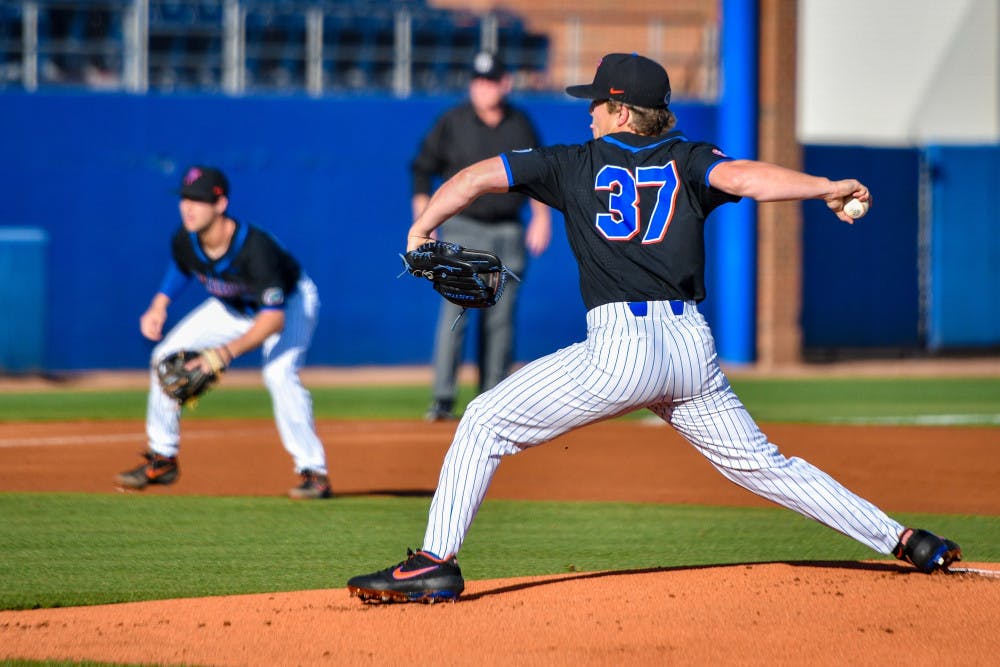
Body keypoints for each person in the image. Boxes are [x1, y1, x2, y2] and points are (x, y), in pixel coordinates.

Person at [346, 53, 962, 602]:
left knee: (482, 421)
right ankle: (906, 539)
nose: (587, 112)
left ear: (619, 110)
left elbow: (472, 177)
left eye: (595, 101)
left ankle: (434, 562)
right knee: (766, 465)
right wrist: (825, 186)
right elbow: (746, 177)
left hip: (621, 350)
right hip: (692, 352)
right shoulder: (689, 157)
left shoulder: (571, 163)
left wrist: (420, 230)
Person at [115, 165, 332, 500]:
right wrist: (159, 304)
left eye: (198, 200)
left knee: (279, 374)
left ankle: (313, 472)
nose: (188, 206)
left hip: (289, 304)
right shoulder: (185, 238)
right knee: (163, 357)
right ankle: (163, 458)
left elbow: (273, 321)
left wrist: (222, 354)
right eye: (185, 198)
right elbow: (181, 264)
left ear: (220, 204)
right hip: (234, 306)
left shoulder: (255, 249)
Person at [411, 50, 552, 421]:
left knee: (501, 319)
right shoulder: (453, 121)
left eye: (491, 81)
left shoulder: (519, 123)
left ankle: (493, 399)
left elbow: (539, 174)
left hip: (507, 228)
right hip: (462, 229)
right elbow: (422, 168)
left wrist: (541, 217)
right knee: (456, 311)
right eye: (478, 81)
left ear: (505, 83)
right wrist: (425, 222)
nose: (484, 88)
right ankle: (442, 399)